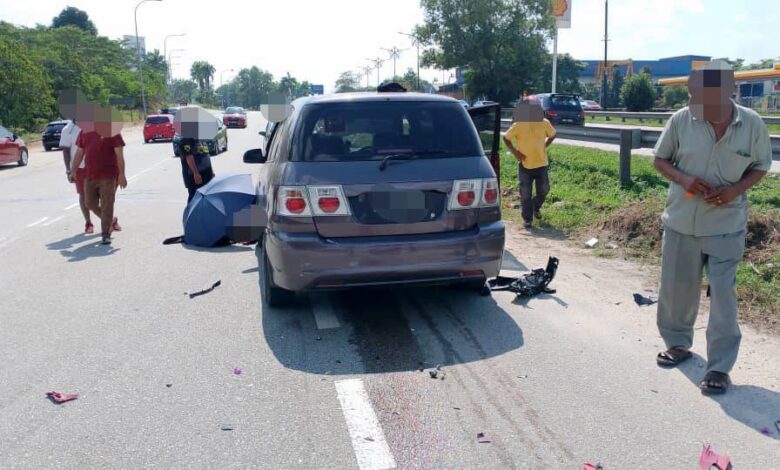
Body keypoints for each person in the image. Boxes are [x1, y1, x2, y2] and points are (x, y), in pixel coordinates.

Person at [653, 60, 771, 395]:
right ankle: (677, 343)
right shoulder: (681, 119)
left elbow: (761, 165)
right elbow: (660, 160)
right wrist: (686, 180)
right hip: (681, 221)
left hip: (726, 225)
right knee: (676, 290)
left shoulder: (751, 124)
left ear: (730, 92)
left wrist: (734, 190)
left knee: (723, 295)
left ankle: (719, 366)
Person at [69, 108, 127, 245]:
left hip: (109, 175)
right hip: (90, 175)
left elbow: (119, 155)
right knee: (89, 202)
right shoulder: (85, 133)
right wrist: (73, 171)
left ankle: (105, 234)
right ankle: (111, 220)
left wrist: (122, 175)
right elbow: (79, 153)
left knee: (107, 204)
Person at [503, 101, 556, 228]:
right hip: (525, 165)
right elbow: (506, 138)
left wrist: (545, 145)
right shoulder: (519, 124)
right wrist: (516, 153)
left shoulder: (544, 123)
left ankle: (535, 207)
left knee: (544, 190)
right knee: (525, 194)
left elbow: (553, 134)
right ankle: (527, 219)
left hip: (541, 164)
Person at [60, 119, 98, 233]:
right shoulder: (67, 130)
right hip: (79, 168)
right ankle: (88, 222)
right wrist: (68, 170)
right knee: (83, 195)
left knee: (101, 194)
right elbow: (66, 151)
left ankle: (107, 219)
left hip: (96, 165)